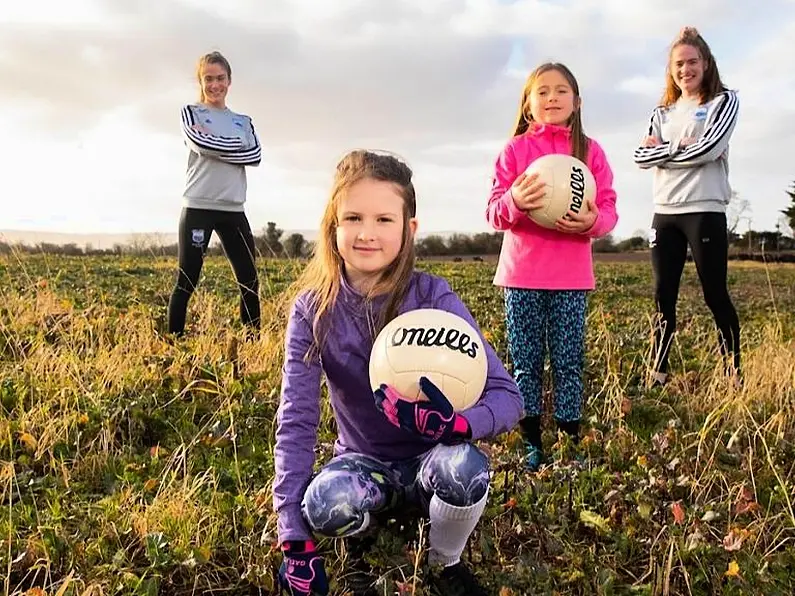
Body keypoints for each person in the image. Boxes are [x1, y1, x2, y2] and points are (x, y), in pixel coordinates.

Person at [272, 150, 523, 596]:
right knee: (323, 505)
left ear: (409, 230)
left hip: (433, 459)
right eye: (353, 217)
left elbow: (507, 395)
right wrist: (293, 537)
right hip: (363, 462)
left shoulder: (432, 297)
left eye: (384, 220)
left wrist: (460, 424)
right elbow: (296, 420)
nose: (367, 233)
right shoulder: (313, 310)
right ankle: (362, 544)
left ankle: (445, 561)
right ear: (333, 225)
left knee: (465, 466)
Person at [485, 62, 618, 472]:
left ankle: (569, 436)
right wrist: (515, 202)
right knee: (525, 360)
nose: (552, 98)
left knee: (567, 360)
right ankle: (531, 440)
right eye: (542, 91)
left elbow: (609, 208)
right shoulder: (515, 151)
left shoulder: (590, 151)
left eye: (561, 91)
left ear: (576, 103)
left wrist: (592, 223)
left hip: (571, 278)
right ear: (528, 105)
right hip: (522, 276)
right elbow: (493, 213)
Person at [632, 27, 741, 387]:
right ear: (671, 69)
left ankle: (733, 372)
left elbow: (708, 150)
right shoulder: (661, 111)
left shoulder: (723, 101)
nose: (685, 69)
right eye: (679, 64)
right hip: (665, 212)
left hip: (704, 209)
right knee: (664, 294)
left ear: (706, 64)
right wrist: (679, 150)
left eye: (692, 61)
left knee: (714, 293)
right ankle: (659, 371)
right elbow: (639, 156)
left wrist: (663, 151)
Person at [167, 51, 262, 336]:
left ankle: (251, 341)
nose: (215, 84)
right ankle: (174, 344)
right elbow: (198, 143)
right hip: (198, 206)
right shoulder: (191, 113)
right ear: (201, 81)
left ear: (229, 81)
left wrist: (214, 146)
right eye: (209, 79)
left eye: (220, 78)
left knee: (249, 280)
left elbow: (255, 155)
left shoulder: (243, 121)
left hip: (234, 209)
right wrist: (235, 148)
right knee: (188, 279)